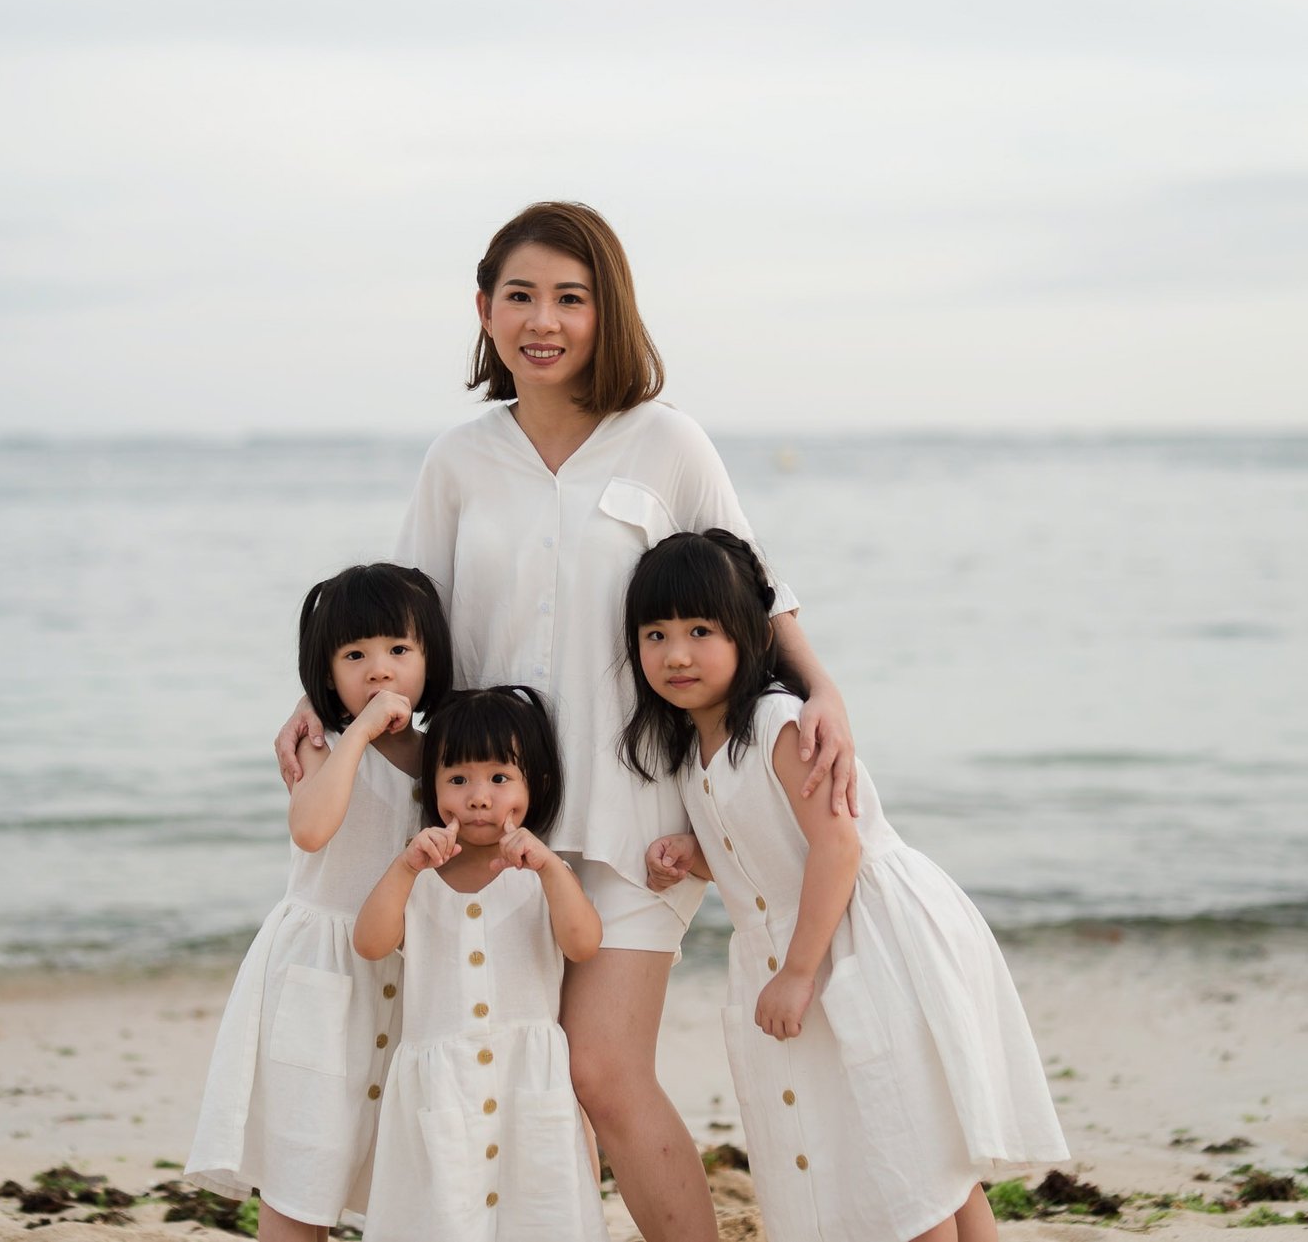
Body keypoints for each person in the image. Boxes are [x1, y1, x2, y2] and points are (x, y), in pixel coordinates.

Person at [275, 201, 855, 1241]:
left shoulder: (667, 443)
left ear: (606, 311)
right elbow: (402, 620)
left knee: (601, 1072)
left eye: (570, 299)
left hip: (639, 820)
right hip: (488, 821)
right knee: (522, 1081)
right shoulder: (458, 460)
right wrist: (319, 703)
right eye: (521, 297)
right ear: (485, 310)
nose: (543, 321)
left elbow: (755, 594)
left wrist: (825, 693)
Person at [626, 529, 1070, 1242]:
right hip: (814, 936)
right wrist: (694, 855)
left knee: (903, 1157)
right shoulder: (693, 749)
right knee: (915, 1153)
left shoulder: (778, 722)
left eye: (700, 630)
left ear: (751, 634)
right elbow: (767, 854)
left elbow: (838, 846)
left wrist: (799, 972)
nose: (676, 653)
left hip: (869, 940)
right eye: (656, 634)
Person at [187, 563, 451, 1241]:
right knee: (302, 1165)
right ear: (325, 674)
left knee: (390, 1164)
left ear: (431, 657)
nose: (379, 669)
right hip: (319, 976)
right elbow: (310, 828)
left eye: (399, 649)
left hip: (402, 976)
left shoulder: (443, 757)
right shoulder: (322, 744)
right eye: (354, 655)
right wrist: (358, 733)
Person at [354, 686, 608, 1241]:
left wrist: (549, 868)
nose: (477, 798)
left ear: (535, 783)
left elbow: (584, 944)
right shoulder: (418, 876)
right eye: (458, 779)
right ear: (432, 786)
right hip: (442, 1088)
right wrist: (403, 868)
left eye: (499, 778)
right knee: (445, 1216)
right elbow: (370, 943)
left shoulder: (546, 874)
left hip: (527, 1082)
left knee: (538, 1212)